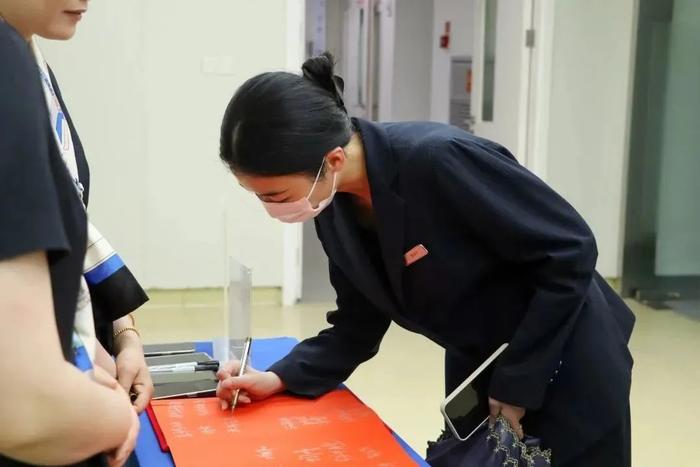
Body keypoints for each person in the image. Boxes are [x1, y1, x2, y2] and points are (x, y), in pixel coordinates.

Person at [214, 52, 635, 466]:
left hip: (565, 356)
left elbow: (570, 249)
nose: (272, 210)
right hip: (483, 367)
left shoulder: (439, 160)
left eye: (277, 196)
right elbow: (357, 323)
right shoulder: (334, 204)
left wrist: (517, 384)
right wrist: (280, 378)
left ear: (333, 160)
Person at [0, 0, 148, 465]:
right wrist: (112, 417)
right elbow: (25, 405)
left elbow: (67, 217)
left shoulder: (30, 63)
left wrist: (121, 335)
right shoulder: (6, 66)